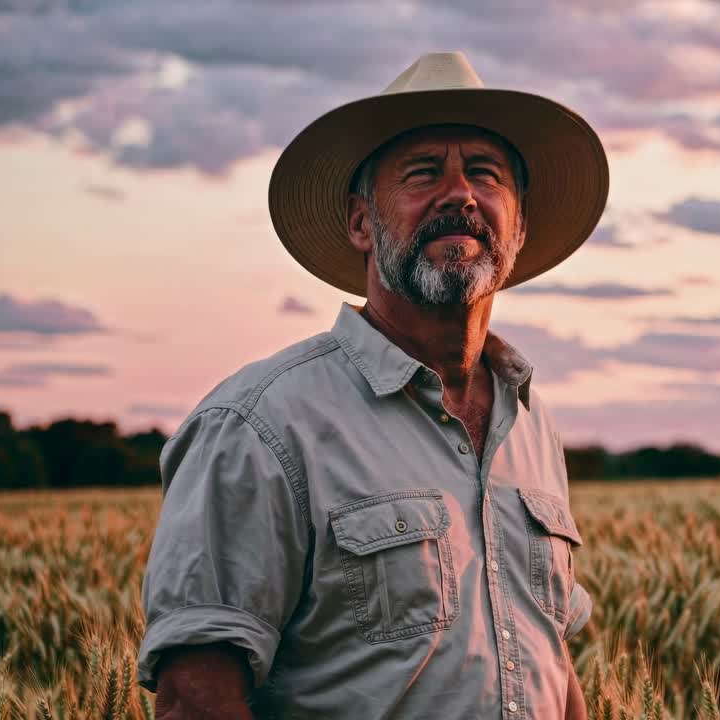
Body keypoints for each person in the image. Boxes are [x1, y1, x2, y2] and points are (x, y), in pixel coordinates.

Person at [135, 51, 610, 719]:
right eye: (423, 174)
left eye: (484, 173)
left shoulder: (531, 424)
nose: (460, 194)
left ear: (520, 225)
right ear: (361, 222)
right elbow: (197, 693)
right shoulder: (261, 425)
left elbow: (548, 661)